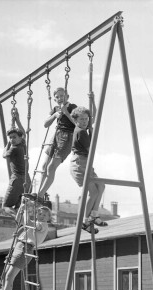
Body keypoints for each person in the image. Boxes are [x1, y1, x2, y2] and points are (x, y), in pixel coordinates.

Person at [0, 206, 52, 290]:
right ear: (36, 215)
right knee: (4, 277)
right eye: (40, 214)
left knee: (9, 276)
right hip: (18, 247)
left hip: (25, 249)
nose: (42, 216)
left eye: (45, 215)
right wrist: (21, 209)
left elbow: (28, 222)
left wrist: (25, 210)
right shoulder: (35, 224)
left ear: (48, 217)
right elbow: (21, 222)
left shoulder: (42, 225)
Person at [67, 106, 107, 234]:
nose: (85, 121)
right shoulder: (81, 132)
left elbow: (93, 117)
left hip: (85, 163)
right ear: (76, 120)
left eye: (86, 119)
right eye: (82, 119)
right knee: (93, 192)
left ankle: (94, 215)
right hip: (80, 164)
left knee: (101, 186)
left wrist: (93, 102)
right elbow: (91, 149)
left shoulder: (83, 130)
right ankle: (85, 221)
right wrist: (92, 133)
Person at [36, 87, 77, 197]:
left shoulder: (73, 107)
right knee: (44, 166)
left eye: (62, 96)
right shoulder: (55, 109)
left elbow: (78, 124)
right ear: (54, 99)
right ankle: (39, 192)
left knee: (51, 167)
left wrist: (66, 113)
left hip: (67, 136)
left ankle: (40, 194)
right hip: (56, 135)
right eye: (57, 97)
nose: (59, 98)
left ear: (67, 97)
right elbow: (45, 124)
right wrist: (55, 115)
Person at [1, 124, 30, 218]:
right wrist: (17, 119)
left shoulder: (14, 148)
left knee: (6, 206)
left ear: (20, 138)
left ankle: (19, 220)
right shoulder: (23, 145)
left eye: (14, 137)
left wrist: (8, 144)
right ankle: (22, 221)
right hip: (27, 180)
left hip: (17, 179)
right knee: (18, 207)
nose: (12, 140)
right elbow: (23, 133)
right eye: (10, 138)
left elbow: (4, 155)